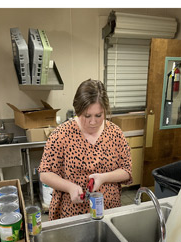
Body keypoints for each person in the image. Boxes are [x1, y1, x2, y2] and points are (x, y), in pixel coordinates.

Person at [38, 79, 132, 220]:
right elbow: (45, 173)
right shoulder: (61, 134)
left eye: (98, 115)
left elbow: (126, 171)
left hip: (109, 212)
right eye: (87, 116)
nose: (93, 122)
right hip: (73, 213)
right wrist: (69, 187)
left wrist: (103, 178)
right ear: (77, 110)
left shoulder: (115, 133)